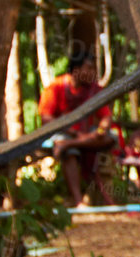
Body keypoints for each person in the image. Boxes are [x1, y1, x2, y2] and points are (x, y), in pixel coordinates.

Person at [38, 47, 116, 207]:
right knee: (69, 152)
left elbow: (106, 117)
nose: (93, 72)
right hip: (64, 133)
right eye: (89, 68)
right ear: (76, 70)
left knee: (110, 137)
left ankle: (69, 144)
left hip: (87, 136)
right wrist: (73, 133)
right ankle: (79, 200)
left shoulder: (95, 90)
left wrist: (101, 131)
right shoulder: (55, 87)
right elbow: (46, 119)